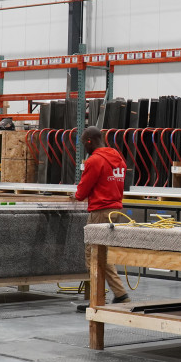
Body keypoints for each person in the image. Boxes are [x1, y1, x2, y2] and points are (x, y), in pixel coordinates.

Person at [74, 126, 130, 312]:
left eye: (84, 144)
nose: (84, 148)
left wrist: (75, 195)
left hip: (99, 212)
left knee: (93, 256)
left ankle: (96, 300)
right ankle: (120, 294)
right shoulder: (118, 158)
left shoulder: (95, 161)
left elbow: (81, 193)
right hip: (115, 211)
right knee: (104, 255)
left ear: (90, 141)